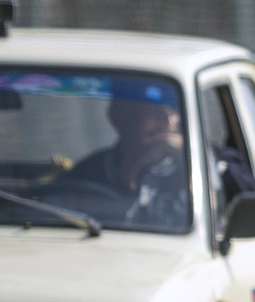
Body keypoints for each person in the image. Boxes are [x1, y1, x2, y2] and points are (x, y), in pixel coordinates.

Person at [65, 96, 189, 228]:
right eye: (153, 109)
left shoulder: (202, 170)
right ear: (120, 116)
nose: (168, 121)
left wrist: (185, 153)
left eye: (173, 108)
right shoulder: (87, 174)